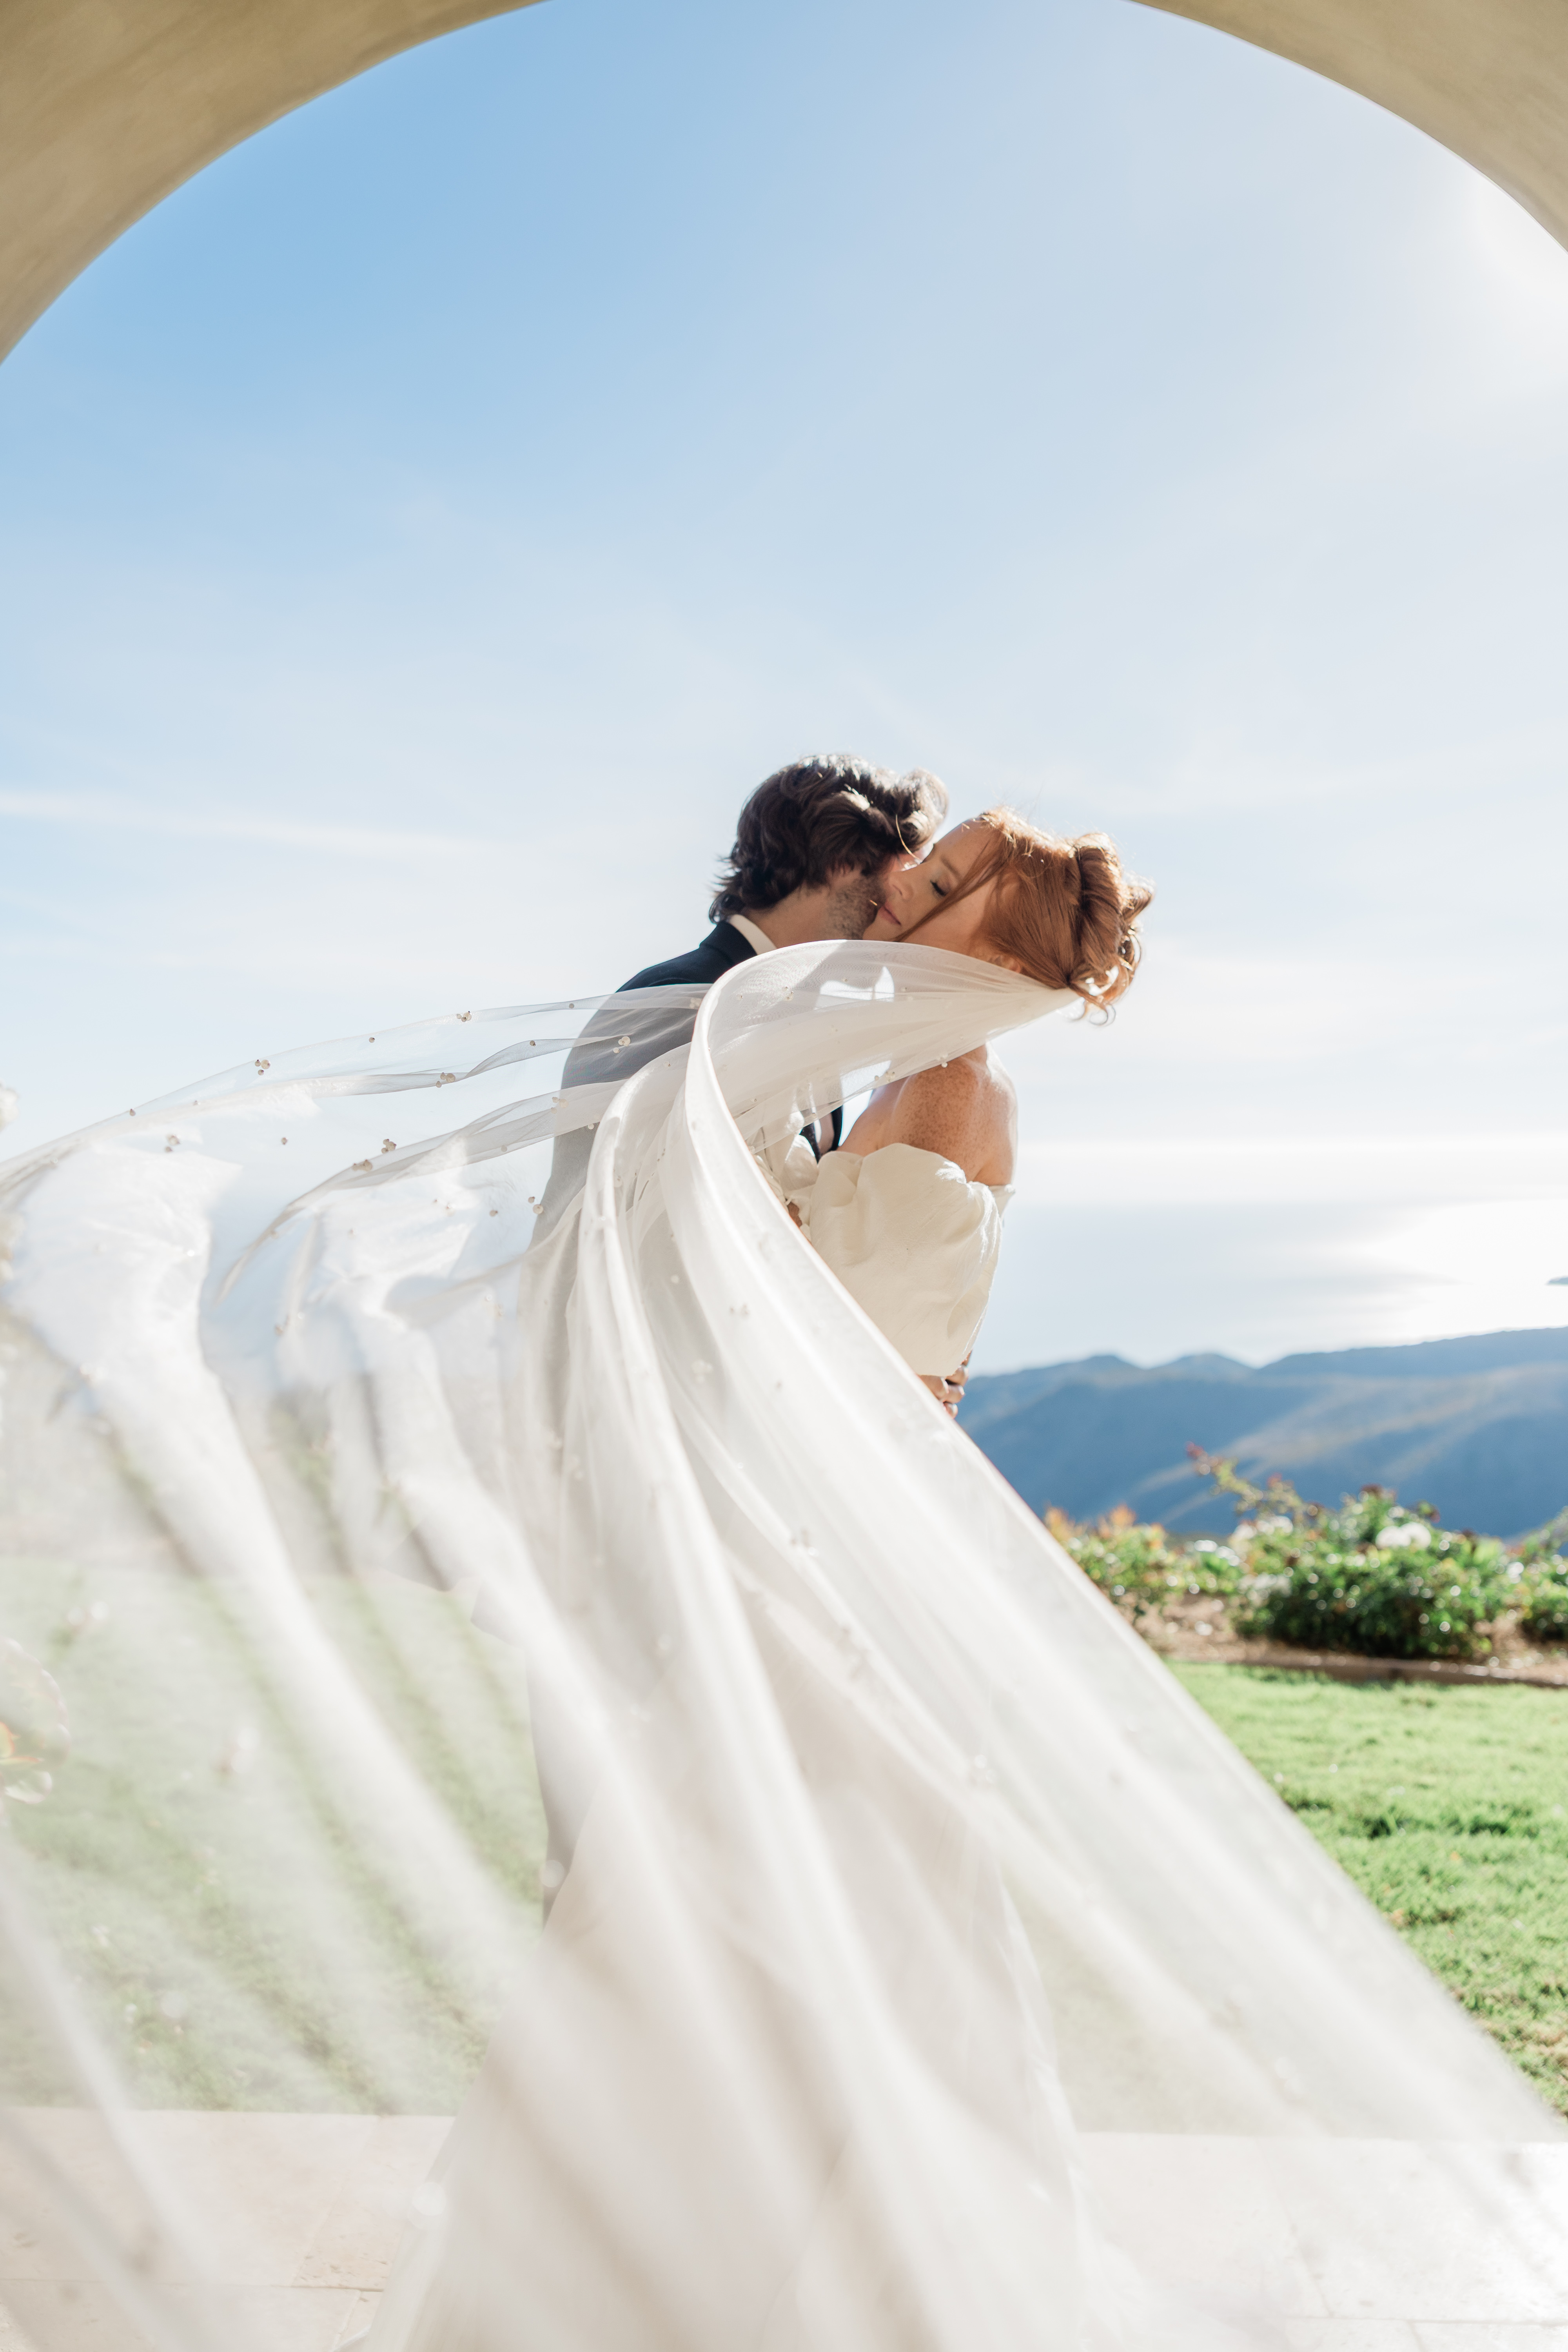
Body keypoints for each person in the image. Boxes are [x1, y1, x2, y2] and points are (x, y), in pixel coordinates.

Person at [0, 800, 1553, 2352]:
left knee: (737, 1922)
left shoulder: (938, 1090)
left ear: (992, 950)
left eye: (938, 892)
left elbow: (799, 1335)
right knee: (757, 1929)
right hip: (795, 1561)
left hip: (798, 1587)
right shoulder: (876, 1079)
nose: (898, 904)